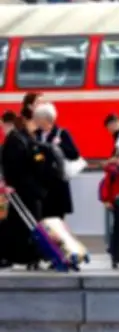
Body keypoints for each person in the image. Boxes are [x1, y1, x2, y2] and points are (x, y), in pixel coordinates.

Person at [0, 102, 49, 269]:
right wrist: (9, 184)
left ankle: (29, 255)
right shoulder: (16, 139)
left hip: (29, 189)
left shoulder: (25, 138)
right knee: (20, 223)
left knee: (24, 222)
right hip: (22, 189)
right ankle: (23, 255)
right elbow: (13, 164)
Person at [32, 103, 80, 219]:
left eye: (39, 119)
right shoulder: (35, 134)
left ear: (47, 119)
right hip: (41, 184)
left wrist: (60, 144)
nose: (36, 122)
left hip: (57, 185)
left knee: (57, 219)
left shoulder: (62, 133)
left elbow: (74, 154)